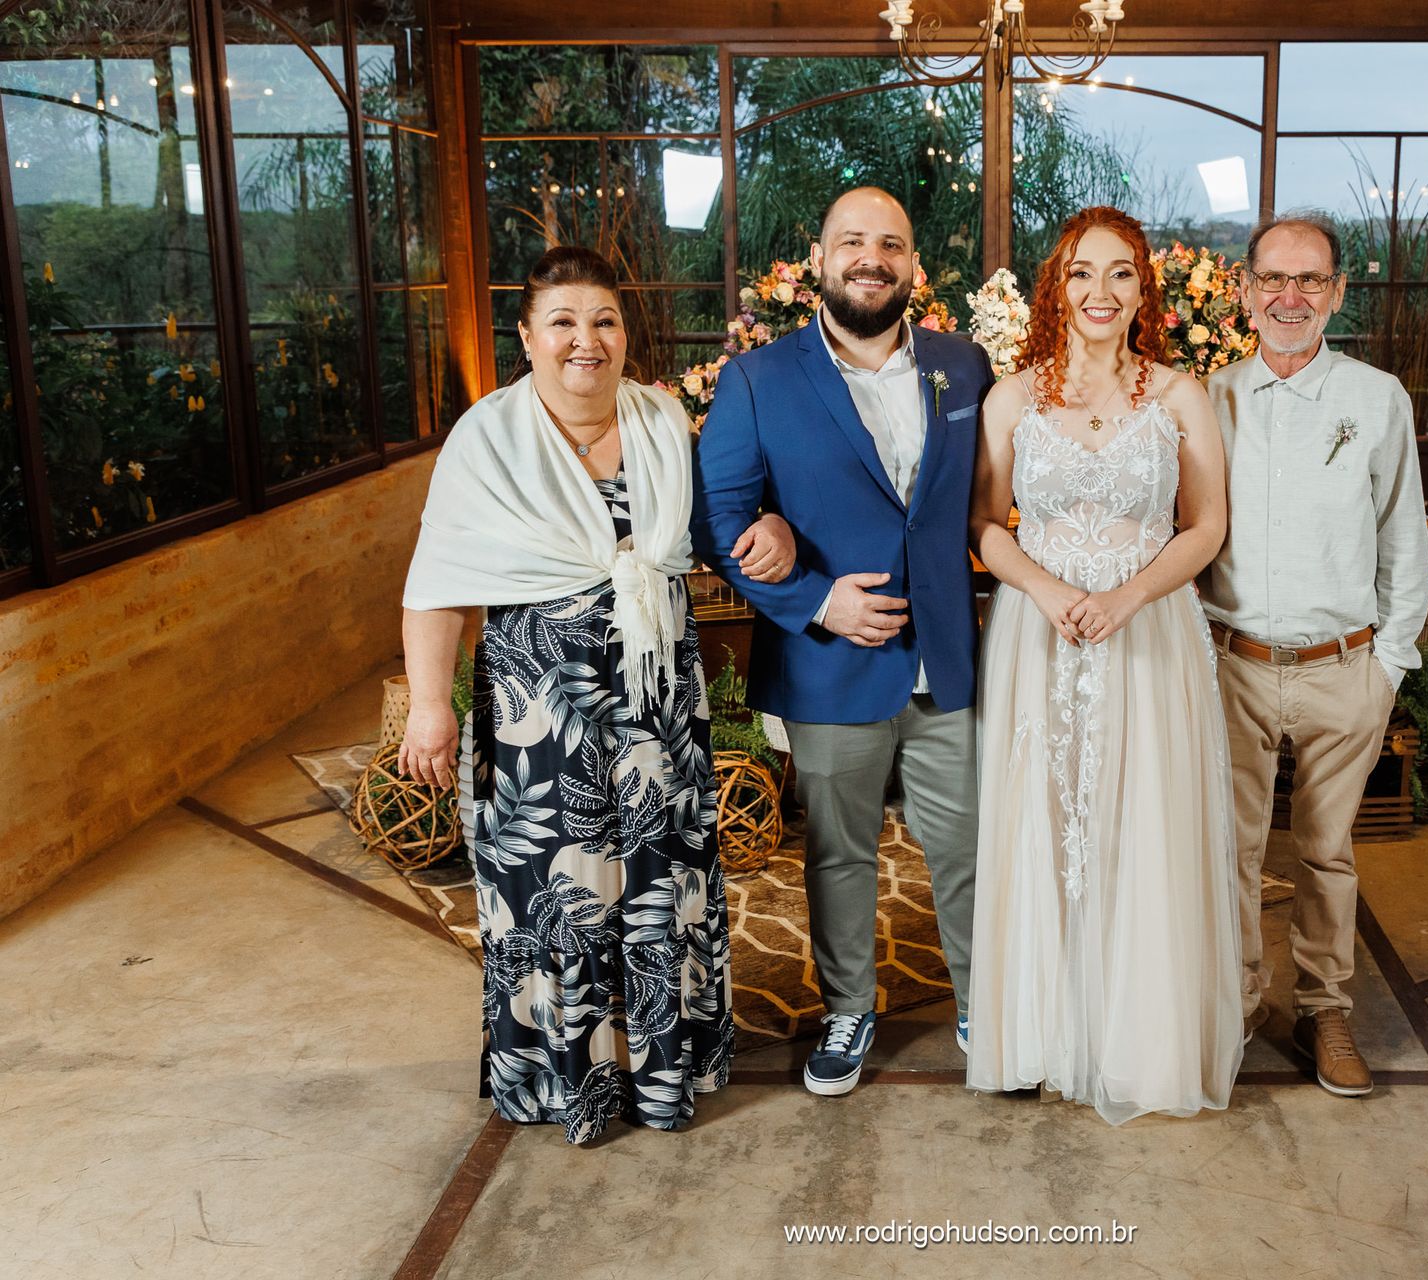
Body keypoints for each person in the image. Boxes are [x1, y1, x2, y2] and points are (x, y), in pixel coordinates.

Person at [398, 245, 795, 1143]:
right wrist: (431, 705)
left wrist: (766, 522)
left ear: (626, 333)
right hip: (544, 718)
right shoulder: (487, 439)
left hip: (658, 711)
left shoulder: (660, 420)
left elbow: (718, 522)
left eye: (605, 320)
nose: (588, 340)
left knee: (660, 882)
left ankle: (665, 1068)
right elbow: (434, 583)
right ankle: (569, 1078)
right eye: (565, 322)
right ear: (529, 337)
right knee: (558, 887)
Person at [690, 188, 993, 1097]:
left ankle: (989, 1004)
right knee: (838, 852)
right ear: (819, 259)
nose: (873, 258)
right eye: (853, 242)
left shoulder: (964, 366)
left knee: (970, 844)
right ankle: (849, 1009)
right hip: (828, 663)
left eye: (891, 244)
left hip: (946, 657)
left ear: (913, 267)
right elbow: (719, 520)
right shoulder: (757, 379)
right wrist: (817, 601)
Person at [965, 206, 1243, 1125]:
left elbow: (1206, 526)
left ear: (1143, 290)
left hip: (1150, 632)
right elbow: (983, 528)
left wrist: (1130, 597)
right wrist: (1047, 591)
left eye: (1121, 274)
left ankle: (1139, 1041)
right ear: (1057, 285)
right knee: (1043, 826)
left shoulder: (1177, 397)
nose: (1099, 292)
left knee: (1142, 822)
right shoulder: (1013, 398)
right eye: (1082, 273)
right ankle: (1041, 1034)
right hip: (1038, 635)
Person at [1201, 210, 1428, 1098]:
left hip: (1346, 667)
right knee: (1231, 851)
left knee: (1327, 853)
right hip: (1235, 665)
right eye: (1273, 279)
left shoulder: (1376, 400)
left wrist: (1391, 668)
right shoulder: (1209, 397)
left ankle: (1325, 1009)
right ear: (1245, 289)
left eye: (1310, 281)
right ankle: (1238, 1004)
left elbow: (1403, 540)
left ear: (1336, 293)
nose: (1289, 297)